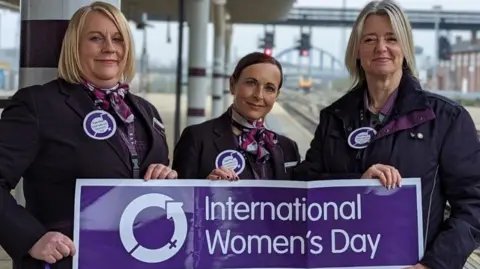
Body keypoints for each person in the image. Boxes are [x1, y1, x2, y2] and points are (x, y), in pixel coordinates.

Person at [294, 1, 480, 269]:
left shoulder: (446, 119)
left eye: (391, 38)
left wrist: (433, 265)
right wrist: (356, 183)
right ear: (357, 51)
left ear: (404, 47)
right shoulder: (334, 117)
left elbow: (472, 205)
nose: (381, 47)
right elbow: (305, 186)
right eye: (370, 39)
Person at [0, 2, 177, 269]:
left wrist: (168, 179)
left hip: (140, 259)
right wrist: (31, 239)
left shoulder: (146, 112)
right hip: (67, 262)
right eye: (96, 38)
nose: (109, 47)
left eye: (118, 38)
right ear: (74, 45)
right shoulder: (38, 105)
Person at [172, 52, 301, 180]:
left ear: (276, 96)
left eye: (269, 88)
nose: (259, 95)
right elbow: (180, 197)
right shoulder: (197, 138)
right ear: (232, 85)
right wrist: (206, 189)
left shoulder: (288, 148)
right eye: (251, 83)